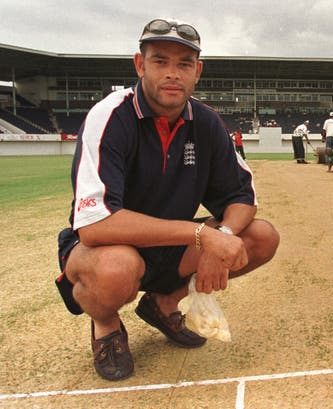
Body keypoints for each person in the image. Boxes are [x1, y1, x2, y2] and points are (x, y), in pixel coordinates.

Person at [55, 18, 280, 382]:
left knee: (260, 236)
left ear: (197, 72)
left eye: (184, 64)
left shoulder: (206, 123)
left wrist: (219, 235)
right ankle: (106, 326)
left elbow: (242, 197)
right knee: (117, 269)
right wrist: (202, 237)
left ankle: (163, 304)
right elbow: (95, 225)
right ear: (140, 65)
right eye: (160, 61)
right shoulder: (110, 116)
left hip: (173, 248)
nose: (172, 74)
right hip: (109, 248)